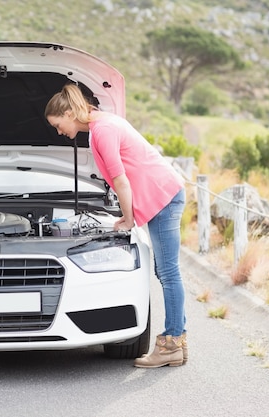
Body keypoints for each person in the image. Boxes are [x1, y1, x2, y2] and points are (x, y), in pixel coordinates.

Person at [45, 84, 187, 368]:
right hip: (162, 194)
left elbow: (121, 180)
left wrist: (128, 217)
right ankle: (177, 341)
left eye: (58, 125)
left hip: (162, 197)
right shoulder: (102, 126)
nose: (58, 131)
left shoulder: (103, 131)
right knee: (165, 271)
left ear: (70, 113)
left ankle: (172, 342)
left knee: (168, 272)